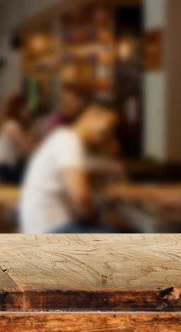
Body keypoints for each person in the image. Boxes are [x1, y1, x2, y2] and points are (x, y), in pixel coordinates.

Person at [20, 99, 119, 234]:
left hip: (43, 227)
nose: (108, 133)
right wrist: (95, 217)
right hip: (52, 230)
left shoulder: (64, 138)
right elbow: (80, 198)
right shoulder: (69, 140)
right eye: (108, 126)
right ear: (92, 114)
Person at [0, 95, 34, 184]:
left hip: (2, 165)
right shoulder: (12, 125)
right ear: (19, 109)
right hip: (2, 166)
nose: (28, 111)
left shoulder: (11, 124)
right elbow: (26, 147)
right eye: (26, 108)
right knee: (30, 178)